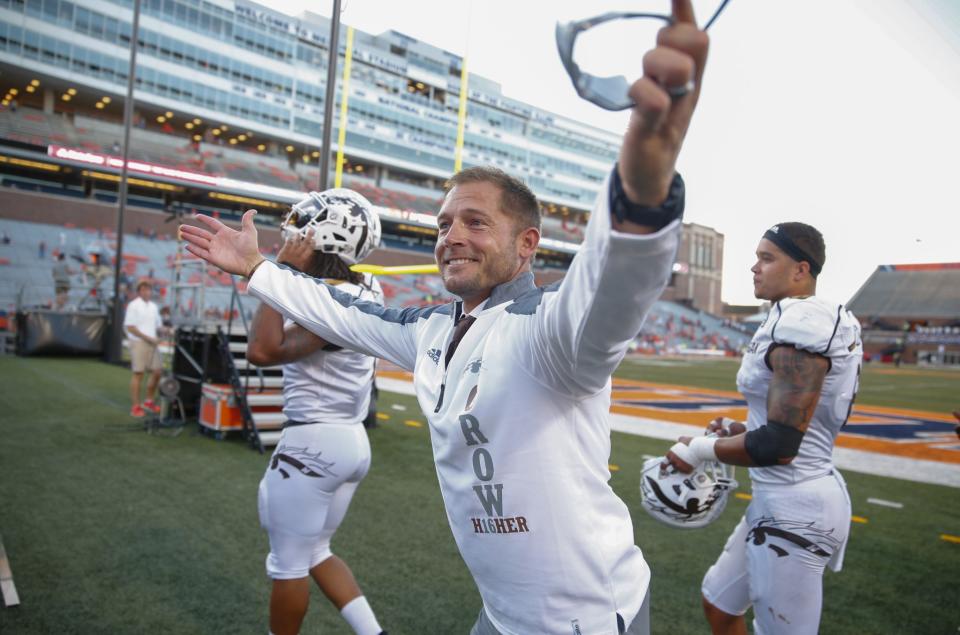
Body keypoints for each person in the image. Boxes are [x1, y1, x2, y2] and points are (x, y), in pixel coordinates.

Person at [181, 3, 707, 632]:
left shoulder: (551, 332)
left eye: (476, 222)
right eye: (444, 224)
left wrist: (644, 180)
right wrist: (259, 269)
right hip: (502, 614)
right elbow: (340, 312)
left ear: (528, 244)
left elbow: (614, 281)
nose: (451, 236)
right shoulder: (431, 330)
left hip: (584, 620)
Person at [665, 222, 862, 634]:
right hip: (779, 498)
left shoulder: (804, 320)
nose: (754, 267)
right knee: (720, 603)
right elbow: (783, 426)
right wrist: (735, 429)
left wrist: (698, 449)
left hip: (797, 507)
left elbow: (780, 443)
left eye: (767, 258)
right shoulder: (786, 318)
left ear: (800, 270)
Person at [245, 192, 387, 635]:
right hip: (350, 441)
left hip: (313, 444)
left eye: (304, 222)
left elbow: (263, 350)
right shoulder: (366, 287)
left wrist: (280, 273)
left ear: (326, 233)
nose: (292, 229)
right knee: (317, 550)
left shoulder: (329, 298)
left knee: (288, 564)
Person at [123, 280, 165, 418]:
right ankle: (135, 407)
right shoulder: (133, 306)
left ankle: (148, 402)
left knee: (158, 372)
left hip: (152, 343)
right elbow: (130, 327)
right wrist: (149, 338)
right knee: (139, 374)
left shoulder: (153, 306)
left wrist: (167, 330)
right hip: (138, 343)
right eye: (144, 289)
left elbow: (158, 325)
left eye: (149, 289)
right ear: (139, 291)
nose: (147, 292)